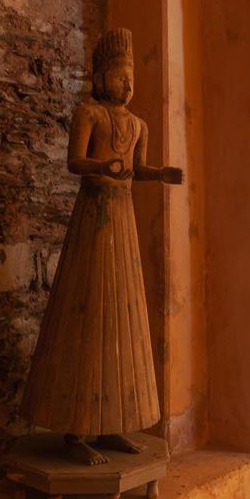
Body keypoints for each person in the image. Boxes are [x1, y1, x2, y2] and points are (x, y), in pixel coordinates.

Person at [20, 28, 184, 465]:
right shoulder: (88, 113)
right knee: (86, 315)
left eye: (131, 77)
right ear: (99, 77)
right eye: (119, 76)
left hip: (122, 220)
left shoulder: (138, 124)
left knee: (121, 319)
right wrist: (103, 165)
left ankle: (114, 424)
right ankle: (76, 430)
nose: (127, 85)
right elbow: (75, 162)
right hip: (92, 220)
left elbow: (139, 169)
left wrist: (161, 173)